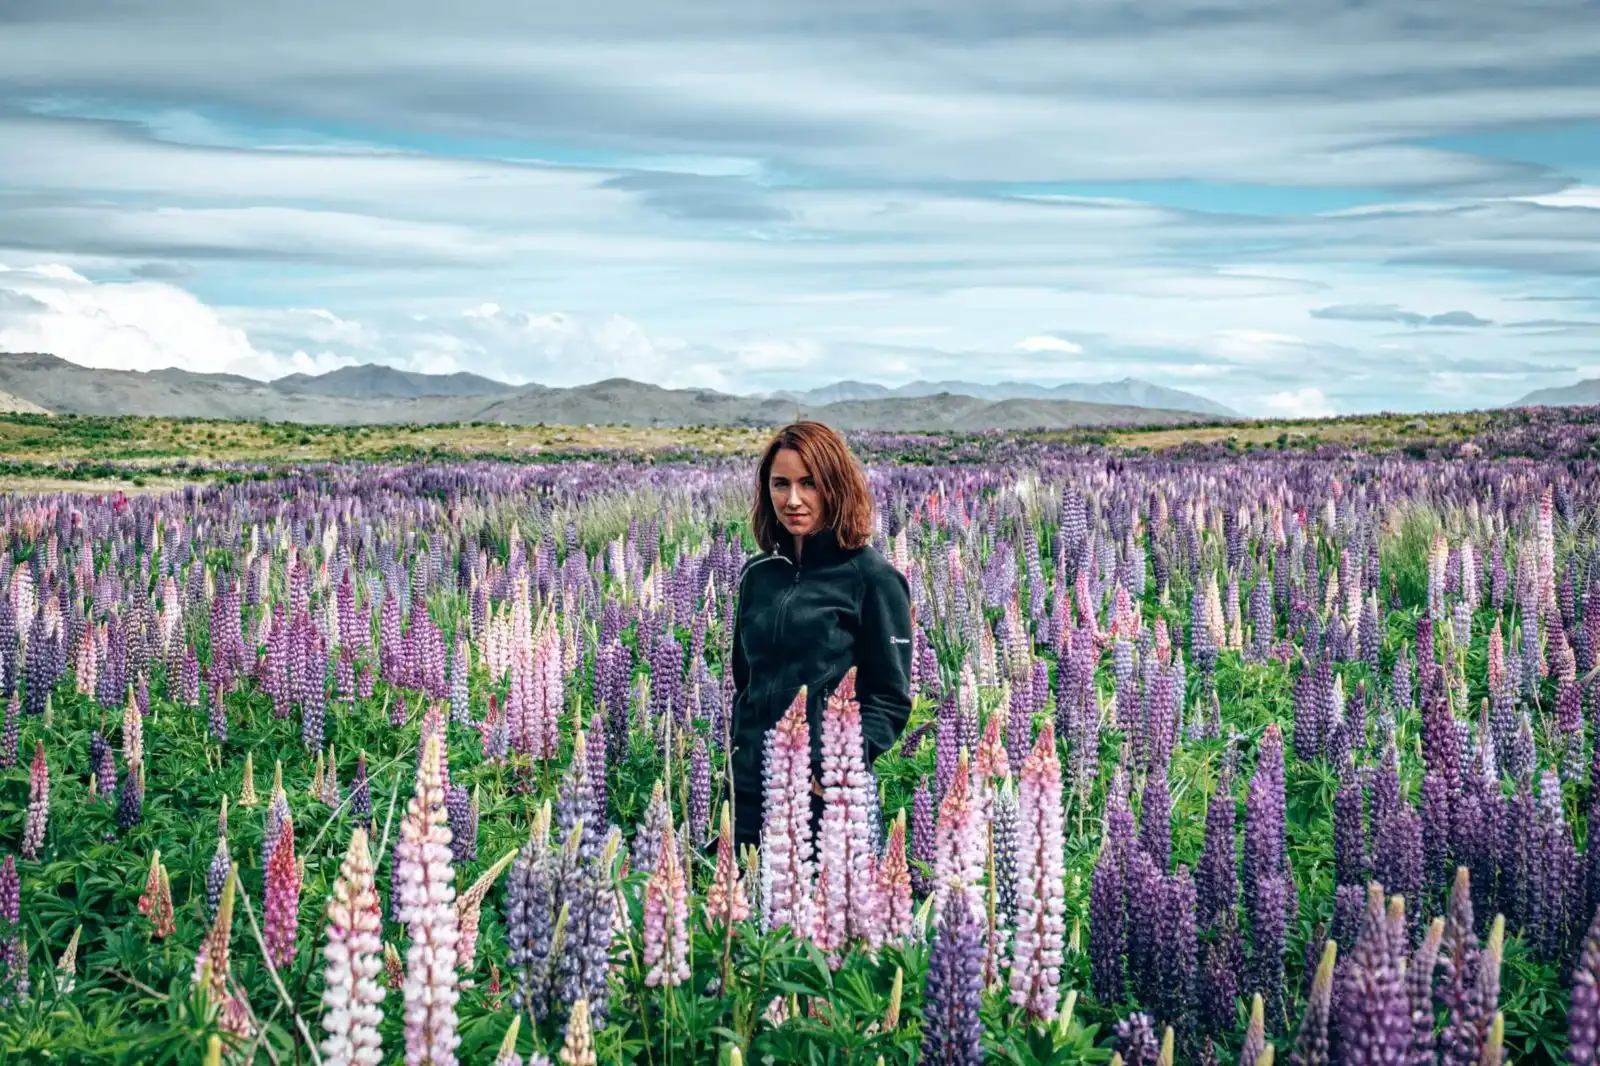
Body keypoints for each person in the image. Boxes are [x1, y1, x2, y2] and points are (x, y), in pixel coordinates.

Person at [727, 421, 914, 852]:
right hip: (750, 787)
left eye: (808, 483)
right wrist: (739, 756)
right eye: (781, 484)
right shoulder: (757, 575)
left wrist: (833, 769)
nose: (793, 500)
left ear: (835, 486)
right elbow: (746, 682)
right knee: (742, 913)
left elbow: (889, 698)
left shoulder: (874, 579)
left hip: (824, 794)